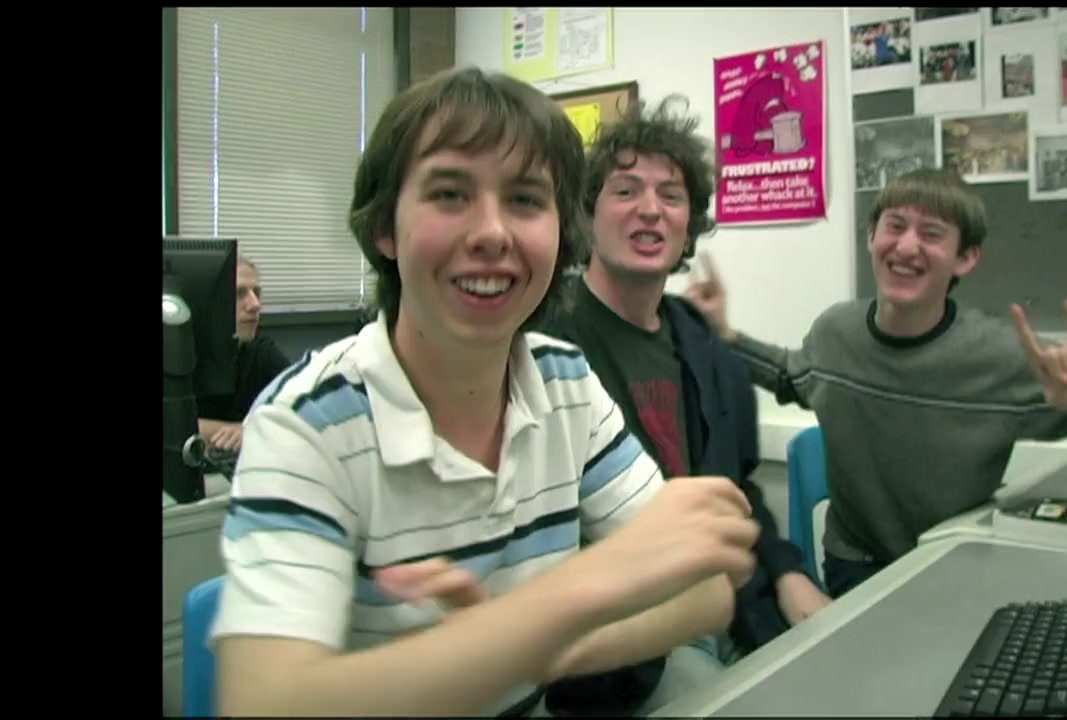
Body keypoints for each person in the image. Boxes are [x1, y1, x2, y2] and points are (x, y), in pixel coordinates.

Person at [209, 67, 762, 718]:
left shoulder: (566, 383)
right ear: (385, 226)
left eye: (526, 200)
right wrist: (566, 598)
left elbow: (706, 592)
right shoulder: (305, 422)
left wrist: (509, 640)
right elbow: (263, 701)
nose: (493, 233)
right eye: (449, 193)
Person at [685, 168, 1067, 599]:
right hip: (856, 566)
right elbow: (789, 376)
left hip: (955, 562)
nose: (907, 246)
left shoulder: (1001, 357)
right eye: (894, 226)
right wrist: (724, 335)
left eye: (931, 234)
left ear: (965, 258)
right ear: (871, 237)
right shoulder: (836, 332)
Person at [537, 96, 829, 714]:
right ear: (587, 214)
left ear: (688, 224)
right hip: (630, 646)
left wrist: (787, 573)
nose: (650, 209)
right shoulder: (546, 342)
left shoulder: (699, 338)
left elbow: (737, 489)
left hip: (737, 605)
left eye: (671, 196)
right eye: (626, 191)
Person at [195, 255, 292, 451]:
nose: (255, 305)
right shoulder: (176, 354)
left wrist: (248, 430)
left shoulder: (261, 353)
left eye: (257, 292)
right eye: (239, 294)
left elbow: (305, 410)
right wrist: (247, 430)